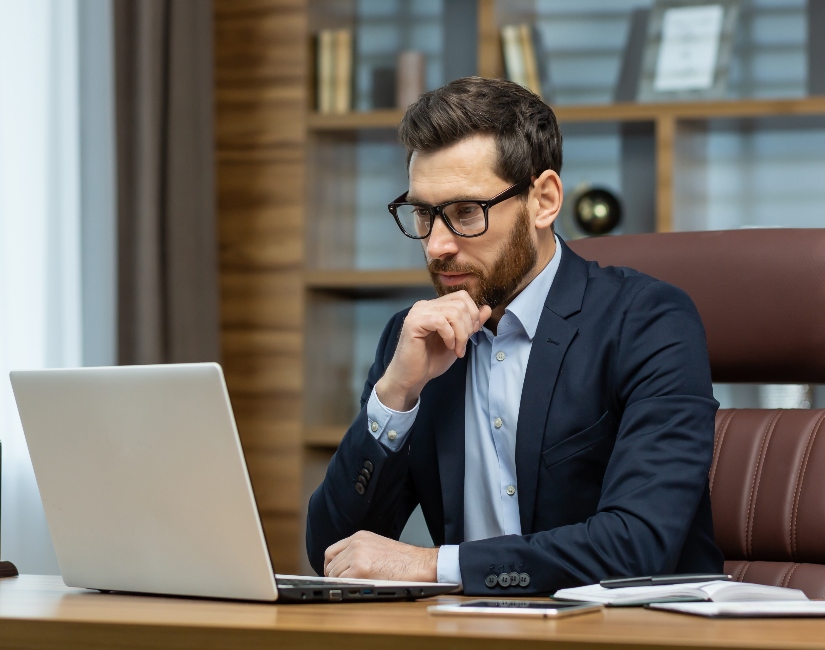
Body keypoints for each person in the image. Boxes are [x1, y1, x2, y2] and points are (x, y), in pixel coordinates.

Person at [305, 76, 723, 595]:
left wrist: (433, 566)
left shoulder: (647, 320)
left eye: (464, 213)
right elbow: (334, 552)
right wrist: (394, 398)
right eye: (422, 214)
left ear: (543, 200)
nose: (436, 246)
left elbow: (638, 544)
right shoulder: (414, 338)